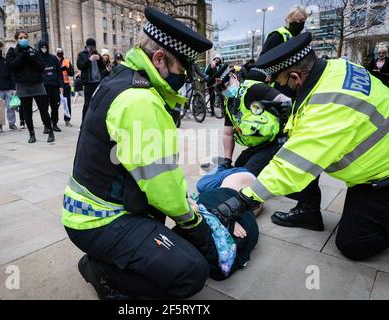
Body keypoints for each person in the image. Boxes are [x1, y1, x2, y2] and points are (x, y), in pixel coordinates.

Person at [63, 6, 215, 300]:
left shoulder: (123, 79)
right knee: (192, 273)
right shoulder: (140, 101)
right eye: (182, 69)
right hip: (101, 221)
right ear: (160, 58)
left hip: (90, 214)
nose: (183, 78)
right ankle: (101, 271)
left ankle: (110, 259)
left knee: (171, 244)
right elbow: (160, 181)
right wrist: (192, 222)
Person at [221, 32, 389, 261]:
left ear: (295, 77)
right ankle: (310, 211)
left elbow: (293, 165)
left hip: (382, 177)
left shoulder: (332, 102)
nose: (278, 90)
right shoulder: (336, 68)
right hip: (371, 172)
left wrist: (243, 200)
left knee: (354, 244)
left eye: (280, 83)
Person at [6, 31, 55, 144]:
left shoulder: (33, 51)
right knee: (27, 111)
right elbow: (11, 66)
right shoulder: (13, 51)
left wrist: (31, 58)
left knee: (44, 109)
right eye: (20, 37)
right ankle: (31, 134)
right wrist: (22, 56)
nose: (23, 39)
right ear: (16, 39)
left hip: (37, 83)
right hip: (22, 84)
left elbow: (41, 66)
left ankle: (50, 131)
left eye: (25, 37)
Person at [38, 40, 64, 133]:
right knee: (44, 107)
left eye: (45, 47)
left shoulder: (54, 58)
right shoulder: (37, 59)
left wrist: (61, 85)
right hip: (42, 88)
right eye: (42, 47)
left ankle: (54, 123)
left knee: (55, 106)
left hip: (54, 87)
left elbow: (60, 73)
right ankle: (46, 125)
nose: (44, 49)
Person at [77, 38, 105, 120]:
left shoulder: (98, 54)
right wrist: (89, 60)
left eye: (93, 47)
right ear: (87, 46)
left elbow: (103, 67)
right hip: (88, 83)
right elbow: (80, 66)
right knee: (87, 103)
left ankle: (96, 121)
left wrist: (99, 60)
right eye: (90, 47)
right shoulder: (82, 54)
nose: (92, 49)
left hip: (98, 83)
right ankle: (84, 123)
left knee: (98, 103)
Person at [56, 48, 74, 127]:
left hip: (66, 84)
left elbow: (72, 73)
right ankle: (54, 120)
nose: (59, 54)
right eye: (58, 52)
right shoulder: (54, 61)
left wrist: (66, 68)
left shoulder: (66, 61)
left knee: (67, 104)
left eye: (60, 52)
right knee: (55, 103)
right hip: (56, 85)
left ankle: (67, 120)